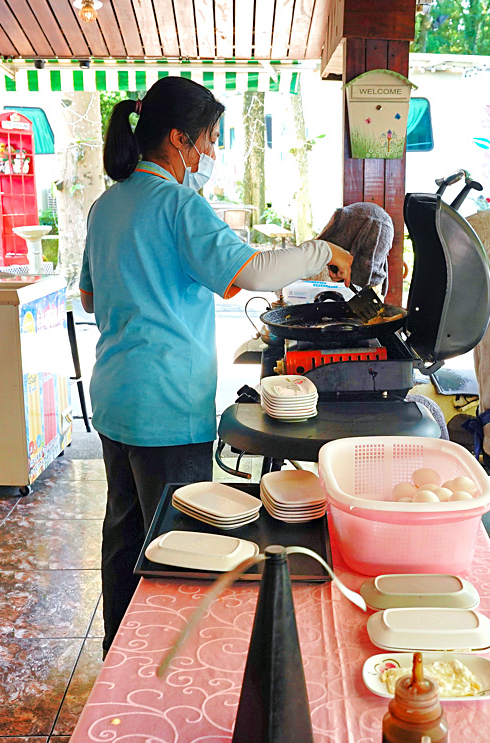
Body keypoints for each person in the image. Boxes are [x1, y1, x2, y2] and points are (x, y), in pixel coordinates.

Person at [79, 77, 353, 655]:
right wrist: (322, 253)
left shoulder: (107, 206)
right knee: (178, 540)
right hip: (166, 403)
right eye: (209, 140)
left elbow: (89, 296)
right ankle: (164, 663)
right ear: (178, 139)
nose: (210, 154)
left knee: (124, 532)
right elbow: (251, 271)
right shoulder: (179, 204)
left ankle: (119, 655)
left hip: (115, 396)